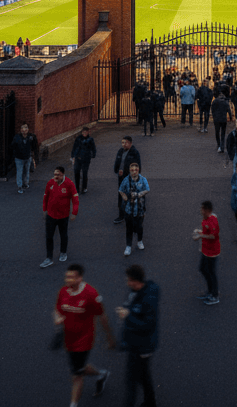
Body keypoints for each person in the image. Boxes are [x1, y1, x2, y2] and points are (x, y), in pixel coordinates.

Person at [53, 262, 113, 407]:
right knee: (78, 368)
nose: (67, 280)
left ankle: (73, 404)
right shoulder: (63, 291)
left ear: (80, 278)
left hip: (84, 341)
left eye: (71, 277)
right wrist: (57, 318)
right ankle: (101, 374)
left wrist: (109, 337)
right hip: (68, 340)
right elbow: (57, 309)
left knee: (76, 376)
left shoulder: (91, 294)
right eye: (67, 277)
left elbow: (102, 315)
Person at [116, 264, 160, 407]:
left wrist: (127, 316)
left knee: (131, 382)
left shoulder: (148, 299)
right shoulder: (135, 291)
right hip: (136, 343)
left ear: (136, 281)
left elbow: (147, 325)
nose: (127, 283)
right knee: (143, 376)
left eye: (129, 280)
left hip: (142, 347)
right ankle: (150, 402)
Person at [41, 166, 80, 267]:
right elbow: (45, 197)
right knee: (49, 236)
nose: (56, 176)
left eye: (58, 175)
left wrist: (74, 212)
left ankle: (63, 252)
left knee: (63, 234)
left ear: (63, 174)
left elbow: (75, 199)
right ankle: (49, 257)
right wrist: (44, 209)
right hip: (51, 215)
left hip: (63, 215)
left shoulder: (69, 184)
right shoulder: (50, 183)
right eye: (55, 174)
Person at [120, 162, 150, 256]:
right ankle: (128, 246)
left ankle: (139, 241)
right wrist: (125, 197)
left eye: (135, 170)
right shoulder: (126, 180)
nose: (134, 172)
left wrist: (139, 194)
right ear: (129, 170)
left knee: (139, 227)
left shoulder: (142, 179)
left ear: (138, 170)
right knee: (129, 228)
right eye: (132, 170)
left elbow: (147, 189)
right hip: (129, 208)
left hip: (140, 208)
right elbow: (121, 190)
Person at [193, 200, 221, 305]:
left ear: (207, 210)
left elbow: (213, 236)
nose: (201, 211)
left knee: (211, 272)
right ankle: (211, 291)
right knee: (203, 269)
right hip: (205, 250)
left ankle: (215, 295)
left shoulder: (212, 221)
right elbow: (206, 233)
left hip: (212, 252)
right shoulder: (205, 220)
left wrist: (200, 236)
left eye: (203, 209)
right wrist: (199, 232)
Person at [113, 137, 142, 223]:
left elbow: (137, 167)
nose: (123, 144)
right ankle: (121, 215)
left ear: (130, 143)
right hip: (121, 177)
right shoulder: (120, 151)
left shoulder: (135, 153)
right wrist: (117, 171)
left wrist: (126, 172)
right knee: (121, 196)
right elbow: (117, 162)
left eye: (125, 143)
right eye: (122, 143)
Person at [12, 122, 40, 194]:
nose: (25, 129)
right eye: (23, 128)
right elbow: (13, 146)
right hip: (19, 158)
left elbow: (34, 147)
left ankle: (26, 183)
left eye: (26, 127)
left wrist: (34, 157)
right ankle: (20, 186)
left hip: (27, 157)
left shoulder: (31, 137)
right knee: (20, 171)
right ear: (21, 130)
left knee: (26, 171)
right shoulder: (17, 137)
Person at [70, 126, 97, 195]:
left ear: (88, 132)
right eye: (83, 132)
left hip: (86, 159)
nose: (84, 133)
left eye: (85, 132)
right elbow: (74, 147)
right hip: (78, 158)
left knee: (84, 173)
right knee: (76, 173)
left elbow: (93, 148)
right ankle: (77, 188)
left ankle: (84, 188)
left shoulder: (90, 139)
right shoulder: (78, 138)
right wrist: (72, 156)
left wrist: (93, 155)